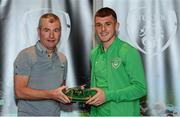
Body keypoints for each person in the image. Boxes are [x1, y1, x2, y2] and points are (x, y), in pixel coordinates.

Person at [86, 7, 147, 116]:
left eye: (108, 24)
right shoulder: (94, 53)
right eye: (99, 25)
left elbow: (140, 89)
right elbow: (97, 89)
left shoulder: (128, 51)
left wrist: (108, 95)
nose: (103, 29)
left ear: (116, 26)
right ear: (95, 28)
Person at [14, 13, 70, 116]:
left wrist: (75, 94)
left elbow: (60, 91)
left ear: (60, 32)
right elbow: (19, 92)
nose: (51, 35)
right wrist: (51, 94)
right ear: (39, 31)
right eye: (46, 30)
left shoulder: (63, 59)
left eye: (56, 30)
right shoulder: (26, 55)